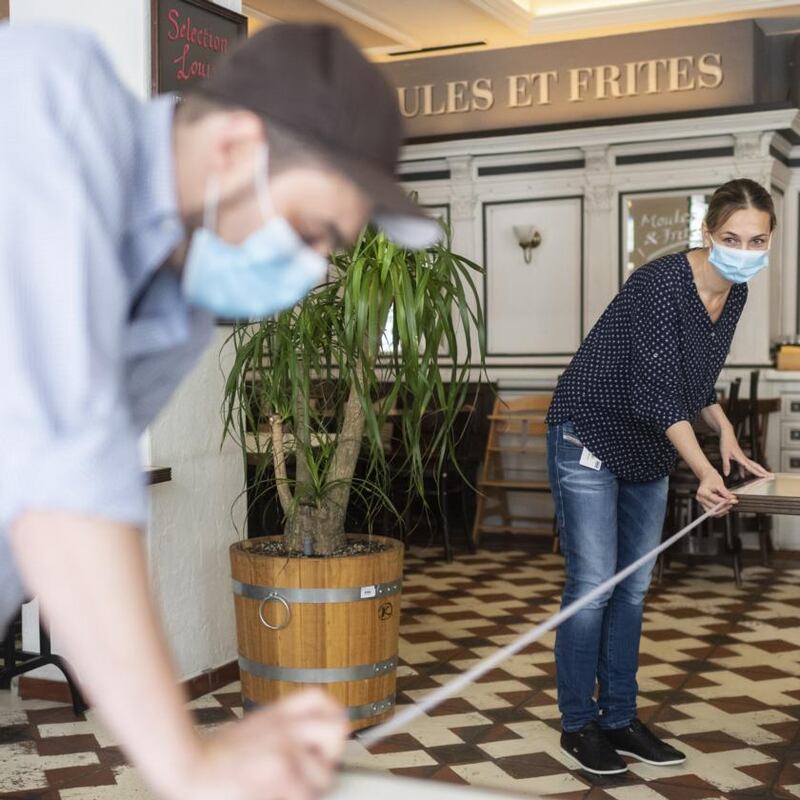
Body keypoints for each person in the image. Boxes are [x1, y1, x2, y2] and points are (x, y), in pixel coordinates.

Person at [0, 20, 438, 800]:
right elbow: (61, 482)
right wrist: (191, 765)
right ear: (235, 146)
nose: (309, 275)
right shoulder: (45, 100)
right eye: (309, 231)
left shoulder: (179, 305)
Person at [545, 178, 774, 775]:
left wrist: (722, 427)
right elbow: (654, 388)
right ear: (707, 233)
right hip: (590, 430)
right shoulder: (658, 284)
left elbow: (691, 381)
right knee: (594, 584)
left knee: (635, 587)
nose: (744, 250)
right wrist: (703, 471)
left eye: (757, 240)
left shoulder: (736, 292)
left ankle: (619, 719)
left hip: (649, 443)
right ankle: (578, 726)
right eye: (731, 237)